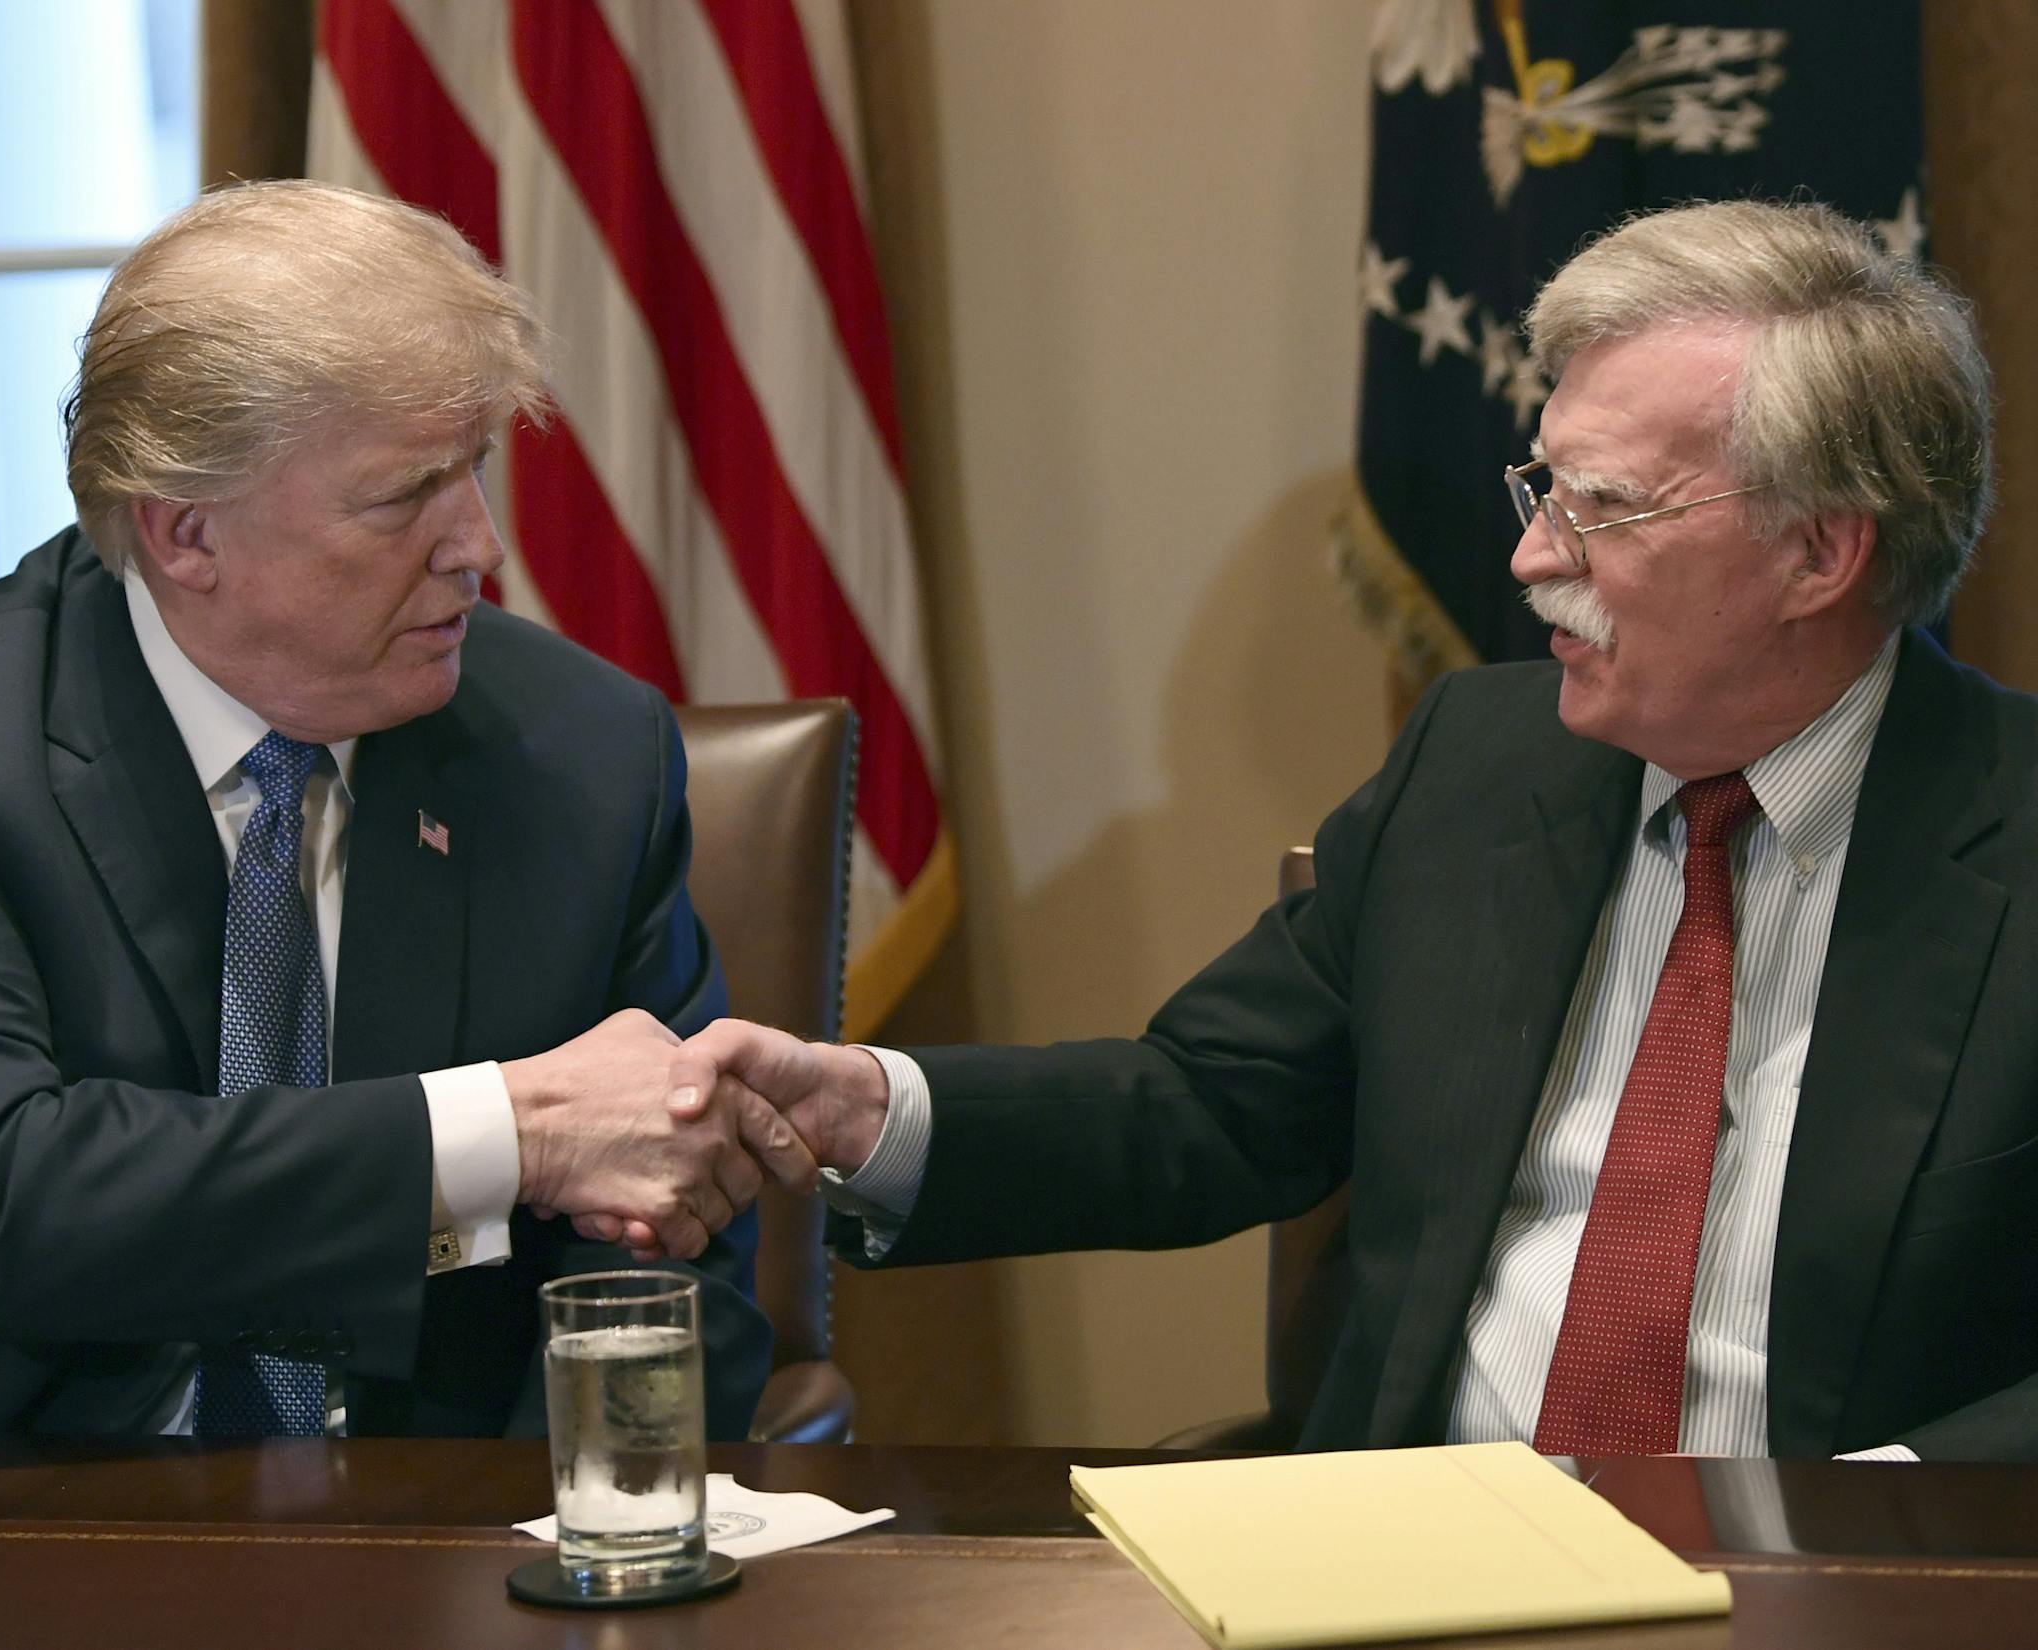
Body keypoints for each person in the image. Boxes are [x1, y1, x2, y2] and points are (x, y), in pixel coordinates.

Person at [675, 199, 2038, 1460]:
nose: (1532, 558)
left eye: (1605, 508)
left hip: (1835, 1577)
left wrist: (1887, 1508)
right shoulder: (1478, 764)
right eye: (1541, 488)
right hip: (1416, 1546)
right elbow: (1212, 1104)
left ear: (1821, 554)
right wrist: (873, 1108)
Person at [0, 180, 813, 1438]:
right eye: (402, 496)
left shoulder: (584, 753)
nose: (478, 544)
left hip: (453, 1548)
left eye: (475, 468)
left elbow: (671, 1241)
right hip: (27, 1532)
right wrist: (503, 1133)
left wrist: (572, 1545)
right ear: (186, 531)